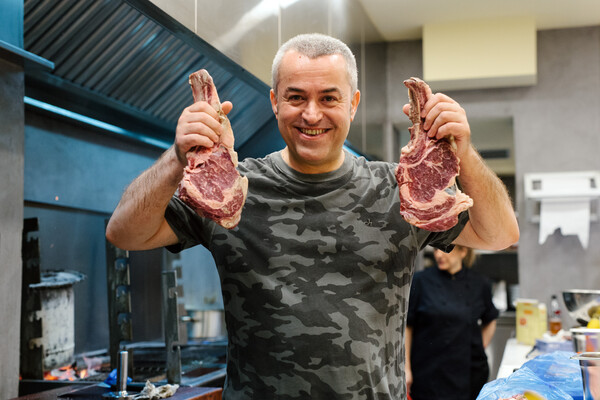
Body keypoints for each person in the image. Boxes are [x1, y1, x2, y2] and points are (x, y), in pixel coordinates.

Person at [106, 33, 519, 400]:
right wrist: (176, 159)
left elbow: (500, 234)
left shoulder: (402, 189)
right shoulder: (229, 187)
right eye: (296, 96)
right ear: (274, 101)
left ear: (353, 104)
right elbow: (125, 234)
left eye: (329, 98)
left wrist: (464, 153)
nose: (311, 114)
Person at [405, 246, 498, 400]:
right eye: (436, 249)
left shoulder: (480, 283)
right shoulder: (420, 281)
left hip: (469, 373)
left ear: (463, 251)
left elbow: (490, 319)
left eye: (445, 249)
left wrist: (480, 346)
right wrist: (406, 368)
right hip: (428, 372)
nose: (438, 255)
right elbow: (407, 326)